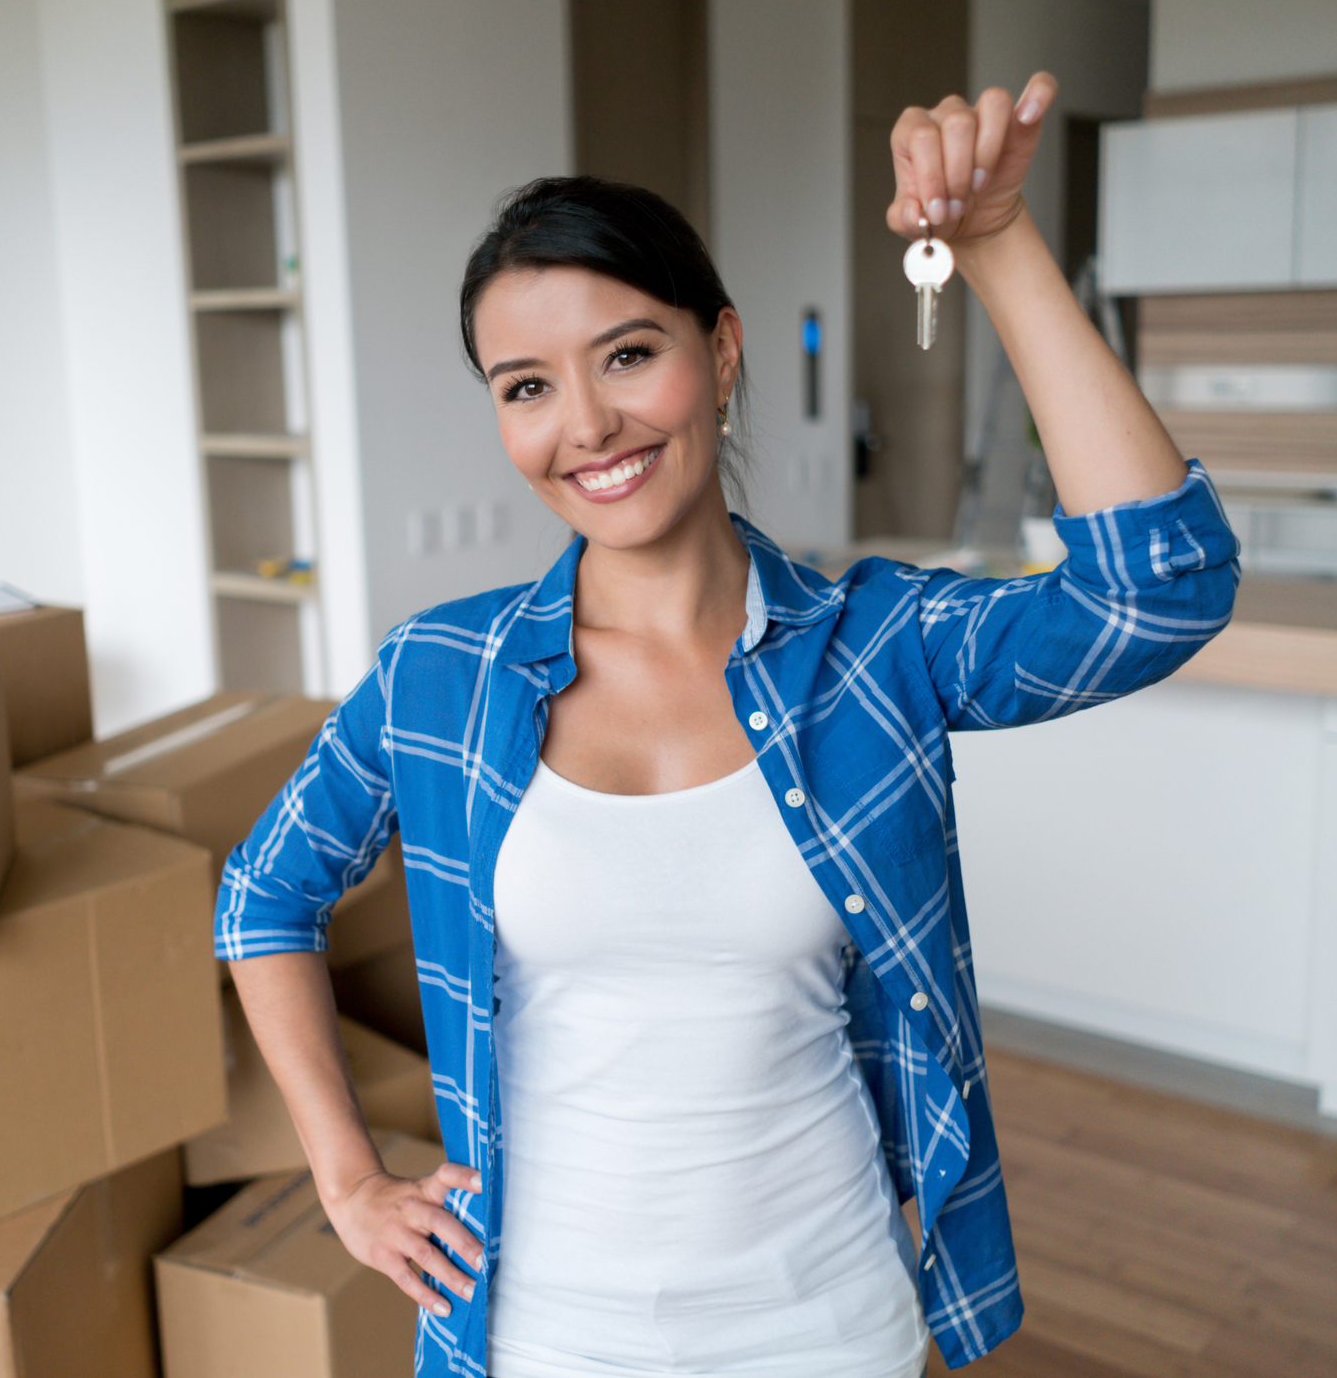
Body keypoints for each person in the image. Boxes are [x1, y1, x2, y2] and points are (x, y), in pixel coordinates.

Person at [217, 71, 1239, 1377]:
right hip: (533, 1332)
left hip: (822, 1324)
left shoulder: (872, 647)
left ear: (723, 349)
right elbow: (261, 895)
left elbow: (1158, 590)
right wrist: (347, 1175)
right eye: (524, 386)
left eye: (628, 354)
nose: (584, 425)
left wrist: (995, 246)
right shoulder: (440, 677)